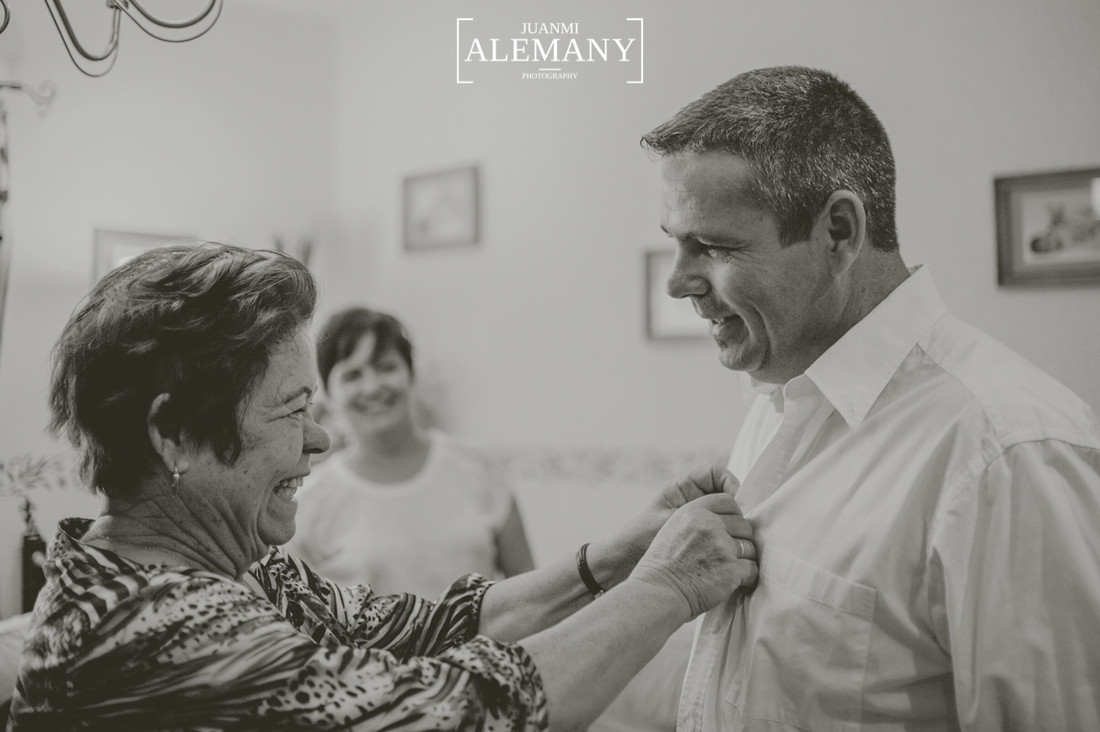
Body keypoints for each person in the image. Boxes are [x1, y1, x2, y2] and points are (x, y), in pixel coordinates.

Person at [7, 242, 760, 731]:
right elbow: (460, 713)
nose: (321, 437)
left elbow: (422, 626)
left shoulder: (235, 562)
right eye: (293, 409)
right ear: (175, 434)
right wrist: (668, 587)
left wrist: (617, 558)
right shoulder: (152, 631)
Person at [642, 66, 1100, 731]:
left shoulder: (1007, 454)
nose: (678, 284)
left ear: (838, 232)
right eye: (676, 246)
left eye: (712, 246)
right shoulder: (780, 398)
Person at [286, 307, 535, 599]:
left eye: (385, 367)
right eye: (352, 375)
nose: (372, 386)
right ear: (327, 393)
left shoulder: (478, 469)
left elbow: (530, 595)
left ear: (410, 373)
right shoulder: (310, 503)